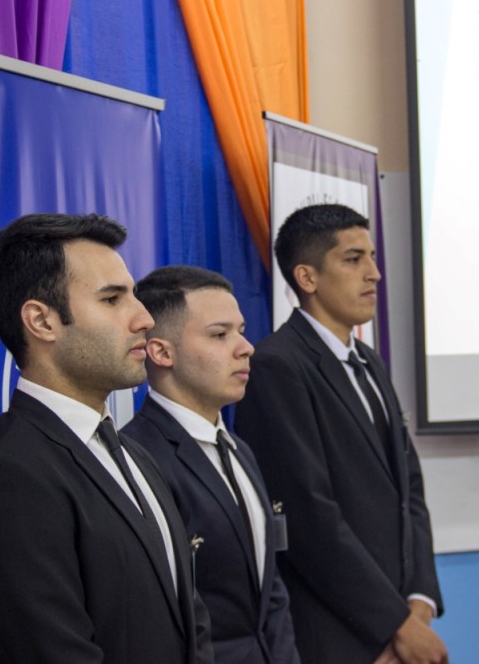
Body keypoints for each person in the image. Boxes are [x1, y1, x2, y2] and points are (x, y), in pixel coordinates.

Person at [0, 213, 213, 663]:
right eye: (112, 299)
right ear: (41, 321)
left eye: (134, 295)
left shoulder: (135, 456)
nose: (143, 318)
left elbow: (190, 625)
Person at [235, 204, 448, 664]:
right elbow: (309, 516)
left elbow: (408, 489)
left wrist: (420, 604)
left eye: (371, 257)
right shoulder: (277, 366)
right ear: (307, 278)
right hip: (334, 632)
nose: (373, 273)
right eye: (353, 260)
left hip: (402, 623)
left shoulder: (369, 361)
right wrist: (393, 625)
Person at [122, 265, 300, 664]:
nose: (245, 347)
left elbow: (272, 593)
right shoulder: (138, 458)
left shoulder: (239, 449)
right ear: (161, 351)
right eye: (220, 335)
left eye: (240, 331)